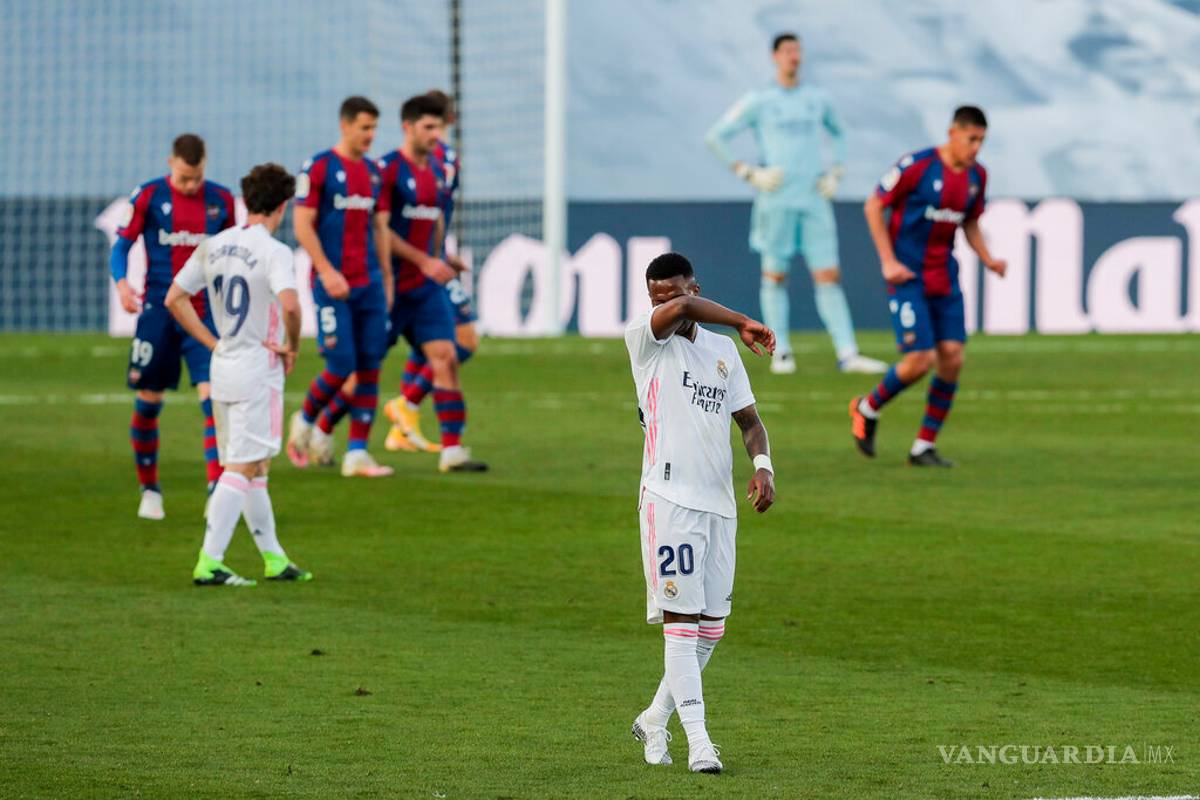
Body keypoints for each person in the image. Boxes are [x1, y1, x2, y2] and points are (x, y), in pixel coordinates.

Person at [624, 252, 776, 774]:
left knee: (711, 629)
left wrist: (763, 465)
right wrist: (740, 317)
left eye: (675, 293)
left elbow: (750, 420)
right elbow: (685, 307)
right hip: (670, 502)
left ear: (695, 284)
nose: (666, 305)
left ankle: (654, 716)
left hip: (720, 506)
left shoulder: (722, 351)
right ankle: (699, 742)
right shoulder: (644, 340)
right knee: (682, 626)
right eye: (656, 298)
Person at [706, 32, 887, 375]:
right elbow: (715, 136)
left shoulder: (816, 99)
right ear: (775, 56)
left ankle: (848, 353)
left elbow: (840, 132)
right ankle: (782, 351)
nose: (794, 56)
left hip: (814, 198)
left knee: (829, 276)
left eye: (798, 50)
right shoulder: (759, 100)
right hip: (776, 200)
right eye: (788, 50)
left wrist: (836, 170)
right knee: (775, 275)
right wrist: (747, 172)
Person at [165, 163, 311, 586]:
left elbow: (175, 298)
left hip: (223, 364)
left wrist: (211, 341)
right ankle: (210, 560)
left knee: (255, 465)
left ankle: (274, 559)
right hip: (256, 370)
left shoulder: (215, 244)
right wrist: (293, 346)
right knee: (242, 467)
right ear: (283, 207)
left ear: (246, 201)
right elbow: (291, 305)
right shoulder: (274, 251)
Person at [849, 106, 1007, 466]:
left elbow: (969, 223)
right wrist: (888, 261)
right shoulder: (917, 165)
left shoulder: (976, 177)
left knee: (953, 357)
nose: (976, 147)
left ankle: (923, 446)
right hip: (907, 276)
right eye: (972, 139)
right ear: (953, 132)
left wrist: (988, 258)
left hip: (944, 276)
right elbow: (874, 205)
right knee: (921, 359)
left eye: (982, 140)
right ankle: (867, 406)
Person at [110, 133, 236, 520]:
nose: (191, 186)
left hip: (204, 315)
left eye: (196, 178)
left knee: (214, 401)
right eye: (184, 178)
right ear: (171, 164)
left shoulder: (222, 201)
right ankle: (149, 489)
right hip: (158, 315)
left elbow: (234, 256)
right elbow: (121, 247)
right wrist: (121, 283)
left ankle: (217, 489)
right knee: (149, 403)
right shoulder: (148, 196)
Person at [285, 96, 394, 478]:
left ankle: (358, 454)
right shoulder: (318, 168)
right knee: (342, 363)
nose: (371, 135)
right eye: (365, 127)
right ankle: (306, 418)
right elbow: (302, 225)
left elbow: (380, 229)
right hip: (331, 285)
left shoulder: (375, 173)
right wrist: (327, 271)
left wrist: (387, 277)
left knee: (370, 366)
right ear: (345, 125)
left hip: (370, 284)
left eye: (374, 128)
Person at [382, 88, 480, 453]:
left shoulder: (443, 161)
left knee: (449, 346)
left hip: (433, 261)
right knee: (460, 341)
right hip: (409, 268)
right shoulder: (422, 161)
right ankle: (321, 422)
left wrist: (442, 251)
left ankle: (404, 414)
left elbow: (436, 213)